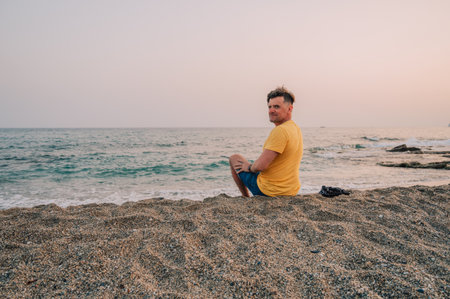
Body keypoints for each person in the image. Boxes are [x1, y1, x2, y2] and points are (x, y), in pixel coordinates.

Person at [229, 86, 303, 197]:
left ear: (289, 109)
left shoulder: (280, 131)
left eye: (277, 107)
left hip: (270, 191)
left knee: (234, 158)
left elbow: (260, 166)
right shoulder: (295, 128)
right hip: (291, 190)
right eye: (270, 107)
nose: (271, 110)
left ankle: (245, 197)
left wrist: (249, 167)